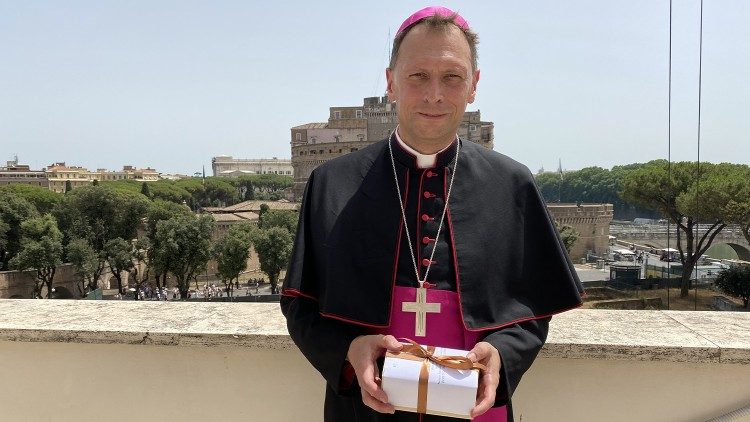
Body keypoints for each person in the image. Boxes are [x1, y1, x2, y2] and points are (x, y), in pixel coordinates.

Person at [281, 6, 583, 422]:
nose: (434, 94)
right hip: (366, 411)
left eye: (452, 77)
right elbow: (301, 306)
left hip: (477, 408)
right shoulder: (332, 183)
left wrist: (502, 353)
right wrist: (348, 348)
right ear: (391, 82)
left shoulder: (512, 184)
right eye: (417, 76)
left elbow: (531, 313)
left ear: (474, 85)